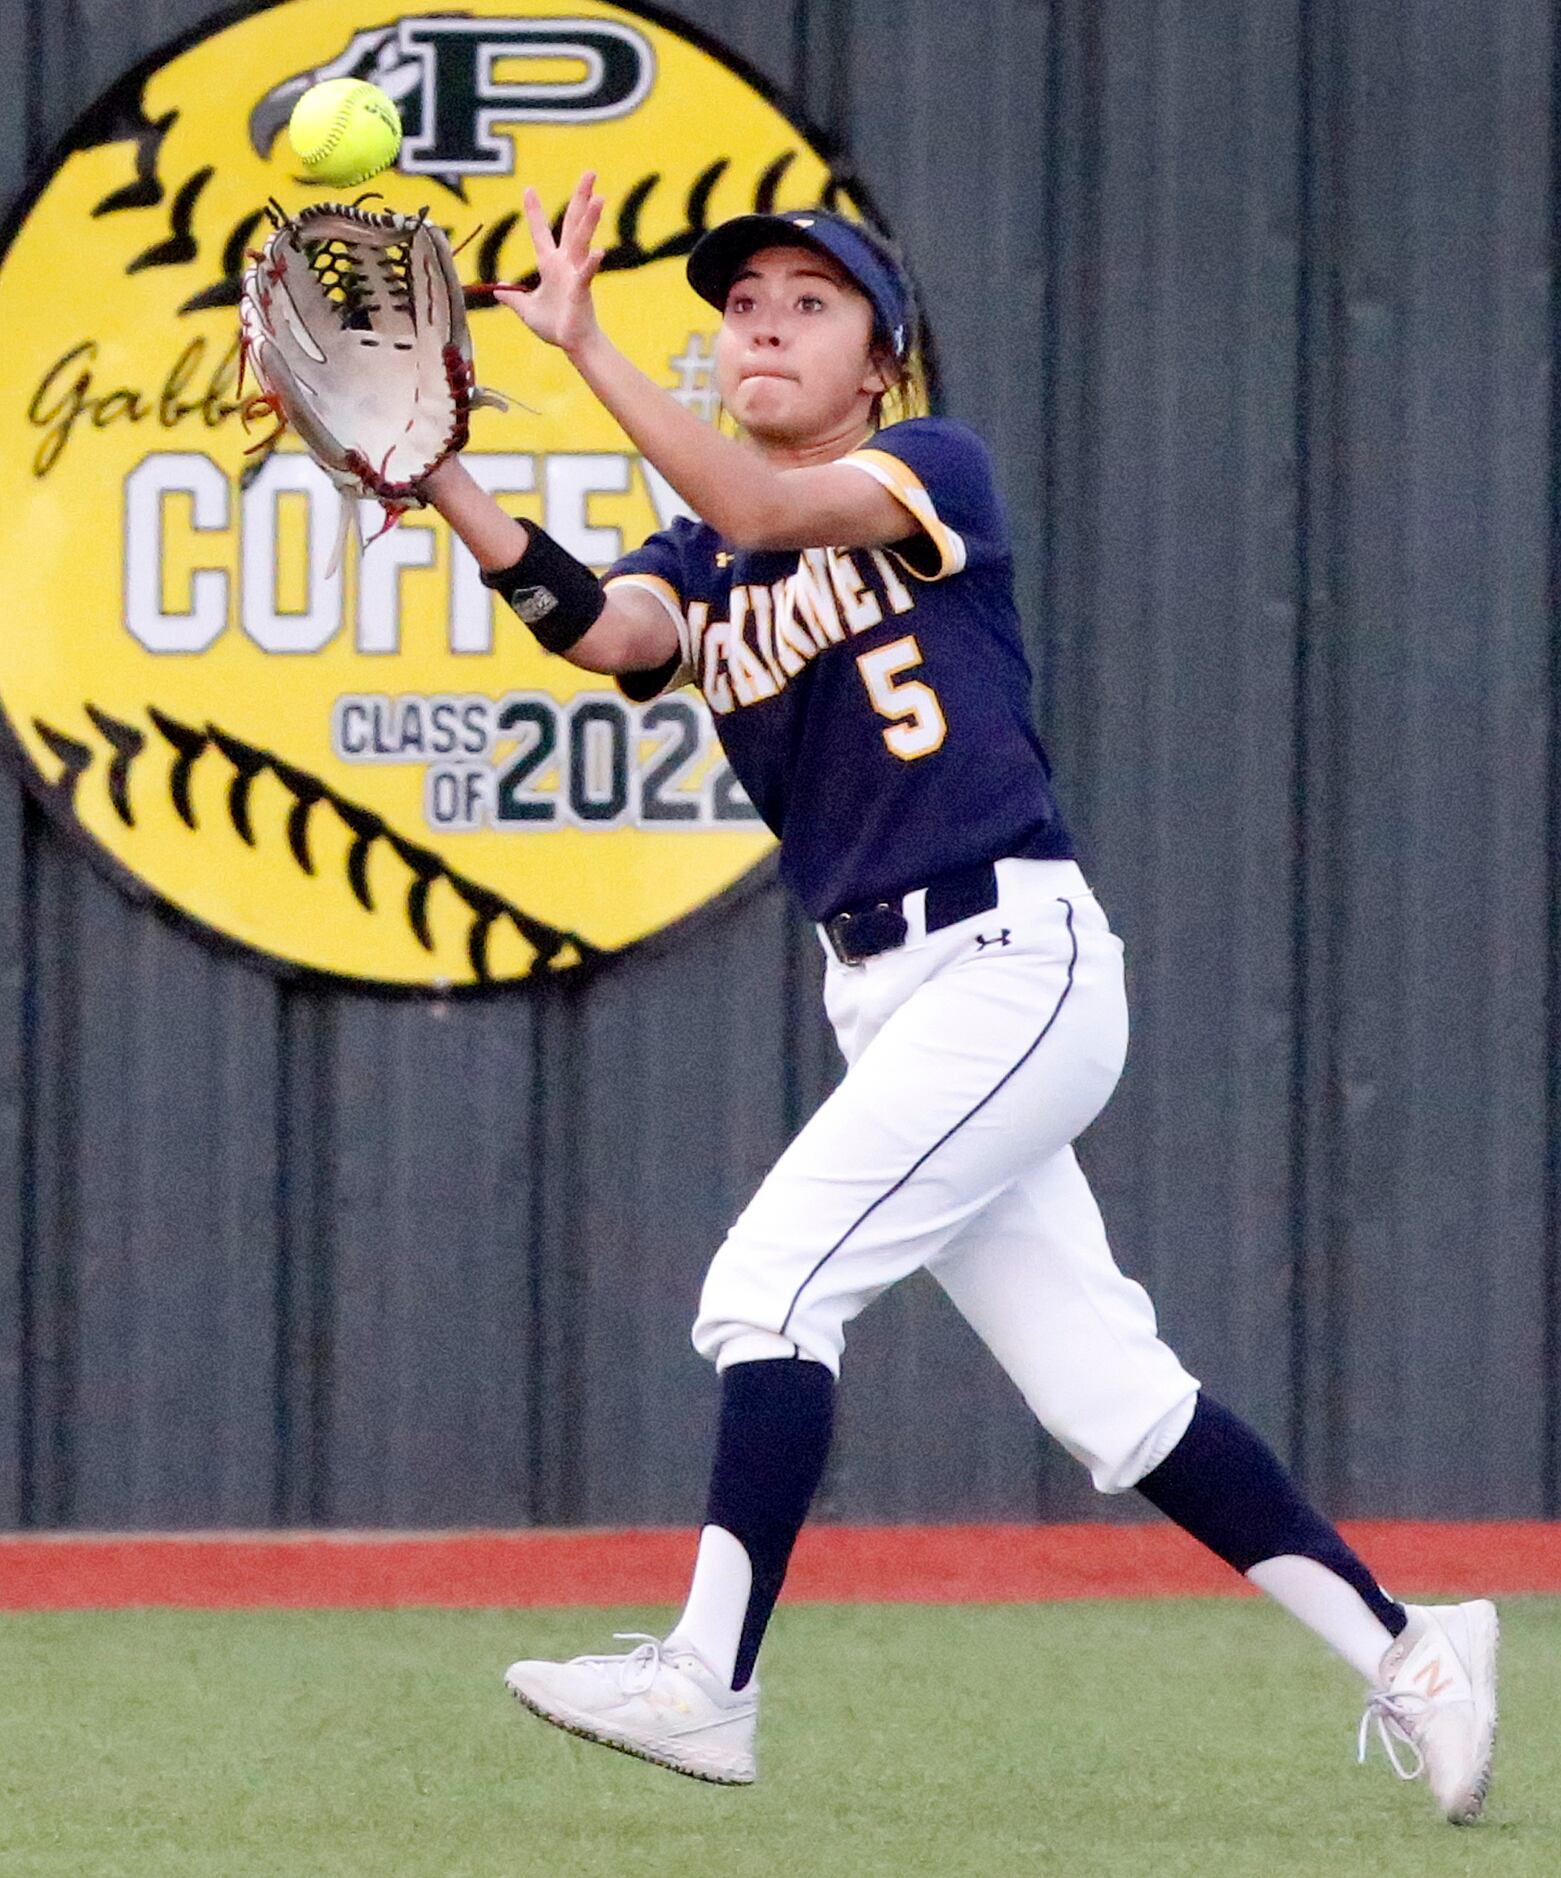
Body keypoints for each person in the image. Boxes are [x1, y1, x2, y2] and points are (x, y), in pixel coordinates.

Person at [421, 173, 1497, 1821]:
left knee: (768, 1292)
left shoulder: (929, 468)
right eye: (742, 302)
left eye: (807, 300)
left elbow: (778, 516)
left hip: (1011, 959)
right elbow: (606, 630)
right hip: (895, 993)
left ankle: (707, 1681)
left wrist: (584, 348)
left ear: (879, 361)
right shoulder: (703, 543)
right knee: (1109, 1394)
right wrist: (440, 478)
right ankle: (1411, 1647)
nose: (762, 319)